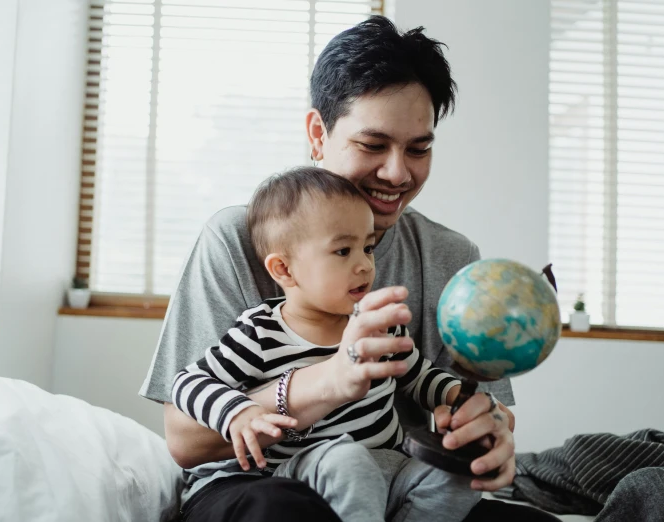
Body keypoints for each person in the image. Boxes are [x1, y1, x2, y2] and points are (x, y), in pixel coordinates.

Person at [141, 16, 531, 522]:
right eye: (373, 145)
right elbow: (185, 441)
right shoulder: (241, 238)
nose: (398, 172)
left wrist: (487, 430)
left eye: (420, 148)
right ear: (318, 135)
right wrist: (330, 379)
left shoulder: (450, 256)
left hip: (394, 481)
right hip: (260, 483)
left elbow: (470, 403)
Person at [171, 166, 483, 522]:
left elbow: (420, 376)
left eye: (367, 248)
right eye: (342, 251)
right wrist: (237, 412)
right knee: (347, 460)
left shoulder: (375, 324)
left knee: (457, 471)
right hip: (311, 471)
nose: (364, 265)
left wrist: (458, 398)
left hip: (391, 468)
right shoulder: (260, 333)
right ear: (284, 270)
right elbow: (188, 382)